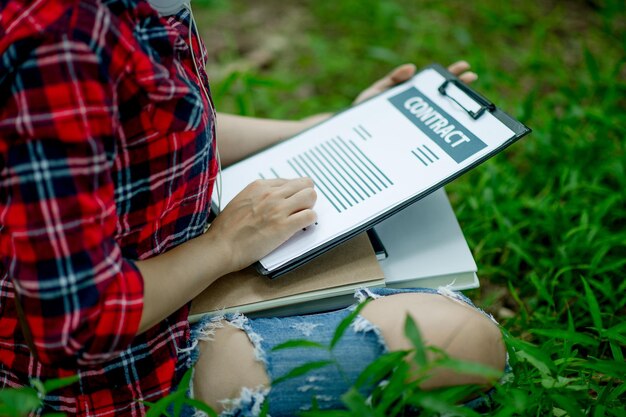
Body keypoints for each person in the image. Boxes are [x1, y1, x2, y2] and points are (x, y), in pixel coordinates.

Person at [0, 0, 506, 415]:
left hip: (163, 282)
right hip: (105, 379)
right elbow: (76, 322)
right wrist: (224, 246)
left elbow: (161, 127)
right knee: (465, 342)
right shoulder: (63, 44)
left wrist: (328, 126)